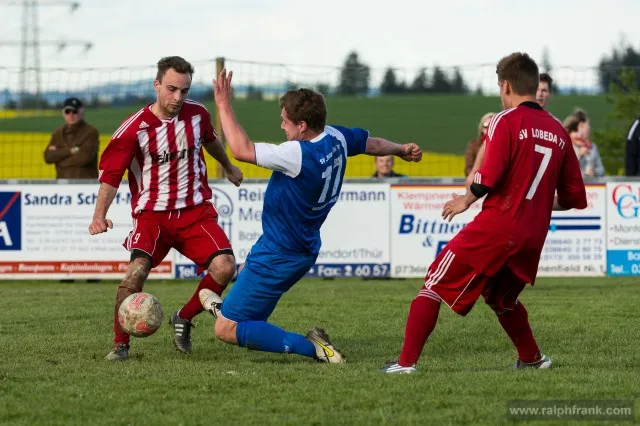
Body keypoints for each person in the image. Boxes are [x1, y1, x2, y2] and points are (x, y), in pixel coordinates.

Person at [381, 52, 587, 374]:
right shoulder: (559, 131)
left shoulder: (504, 120)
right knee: (502, 298)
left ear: (506, 86)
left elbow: (488, 176)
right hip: (533, 235)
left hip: (499, 225)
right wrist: (536, 201)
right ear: (535, 86)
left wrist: (466, 200)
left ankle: (405, 364)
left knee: (434, 282)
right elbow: (573, 197)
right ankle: (532, 359)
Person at [198, 70, 422, 363]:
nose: (281, 125)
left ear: (302, 126)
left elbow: (241, 150)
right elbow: (374, 145)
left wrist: (223, 104)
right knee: (246, 315)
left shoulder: (298, 154)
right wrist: (401, 149)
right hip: (303, 249)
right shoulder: (336, 137)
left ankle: (315, 349)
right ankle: (226, 309)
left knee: (226, 329)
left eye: (285, 120)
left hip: (277, 253)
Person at [88, 56, 244, 361]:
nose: (178, 97)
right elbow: (110, 176)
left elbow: (211, 140)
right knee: (135, 274)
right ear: (157, 85)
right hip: (152, 218)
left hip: (194, 212)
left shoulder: (197, 115)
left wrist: (227, 165)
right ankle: (120, 345)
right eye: (172, 89)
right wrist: (99, 216)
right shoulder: (134, 129)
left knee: (225, 266)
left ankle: (183, 317)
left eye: (184, 90)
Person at [44, 97, 100, 179]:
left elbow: (84, 158)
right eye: (67, 111)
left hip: (85, 184)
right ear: (63, 113)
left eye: (75, 111)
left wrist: (59, 159)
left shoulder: (91, 132)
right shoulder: (57, 133)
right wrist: (71, 151)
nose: (71, 115)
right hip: (62, 184)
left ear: (81, 112)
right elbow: (48, 157)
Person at [563, 109, 605, 178]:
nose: (590, 127)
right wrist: (580, 155)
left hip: (591, 183)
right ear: (581, 125)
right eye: (588, 124)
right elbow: (564, 170)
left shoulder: (592, 146)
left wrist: (595, 172)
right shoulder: (566, 145)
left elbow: (601, 169)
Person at [464, 112, 495, 177]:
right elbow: (468, 169)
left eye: (492, 126)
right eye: (486, 127)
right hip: (479, 181)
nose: (489, 129)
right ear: (481, 129)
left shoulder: (506, 145)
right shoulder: (473, 145)